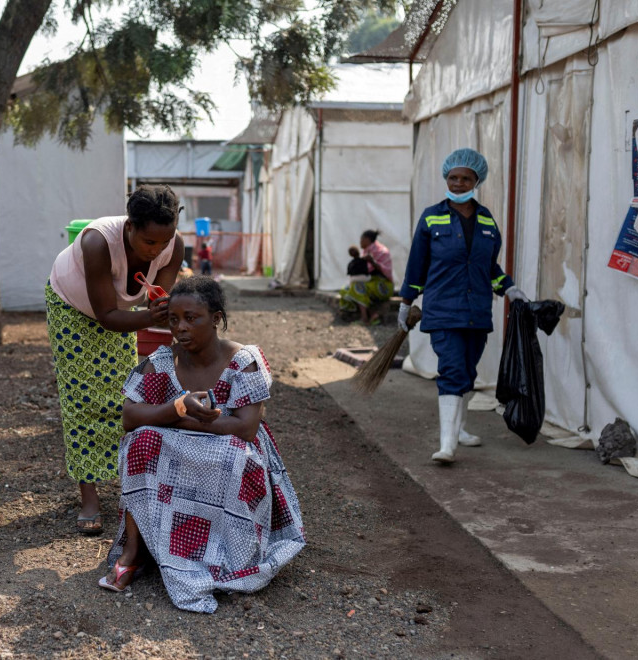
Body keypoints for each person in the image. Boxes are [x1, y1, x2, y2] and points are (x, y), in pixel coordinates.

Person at [99, 276, 305, 613]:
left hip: (231, 445)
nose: (180, 328)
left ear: (216, 319)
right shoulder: (165, 360)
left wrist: (175, 418)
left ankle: (229, 553)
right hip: (180, 442)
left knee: (234, 457)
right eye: (173, 320)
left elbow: (245, 429)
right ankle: (134, 552)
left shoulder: (243, 361)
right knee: (139, 442)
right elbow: (129, 416)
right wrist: (179, 408)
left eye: (191, 318)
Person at [47, 185, 185, 535]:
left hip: (123, 314)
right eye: (149, 242)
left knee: (126, 395)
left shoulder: (173, 246)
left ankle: (130, 482)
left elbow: (160, 299)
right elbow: (107, 316)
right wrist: (150, 317)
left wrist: (164, 309)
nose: (157, 251)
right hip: (72, 309)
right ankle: (89, 496)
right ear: (130, 226)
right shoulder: (98, 243)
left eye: (164, 241)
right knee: (82, 400)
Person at [398, 148, 529, 464]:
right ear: (447, 178)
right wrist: (405, 301)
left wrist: (509, 287)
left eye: (465, 178)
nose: (458, 183)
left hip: (477, 311)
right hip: (443, 310)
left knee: (467, 371)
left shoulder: (486, 220)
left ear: (476, 180)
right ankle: (447, 445)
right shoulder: (432, 216)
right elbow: (418, 264)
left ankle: (460, 429)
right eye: (453, 177)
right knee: (453, 369)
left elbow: (488, 266)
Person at [338, 229, 394, 325]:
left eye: (361, 240)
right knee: (345, 289)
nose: (360, 242)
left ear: (367, 239)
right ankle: (373, 314)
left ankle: (364, 318)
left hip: (384, 285)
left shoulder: (381, 252)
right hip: (371, 282)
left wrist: (372, 261)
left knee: (357, 286)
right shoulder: (366, 251)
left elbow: (384, 271)